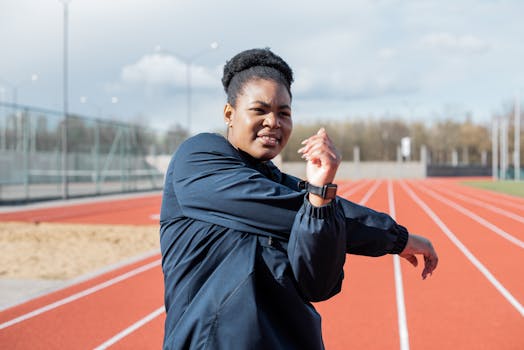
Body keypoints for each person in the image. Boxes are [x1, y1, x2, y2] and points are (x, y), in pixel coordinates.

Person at [160, 48, 438, 349]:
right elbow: (288, 207)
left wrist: (320, 198)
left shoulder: (290, 188)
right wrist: (396, 238)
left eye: (284, 113)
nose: (273, 122)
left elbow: (319, 284)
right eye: (259, 110)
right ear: (229, 114)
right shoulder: (198, 159)